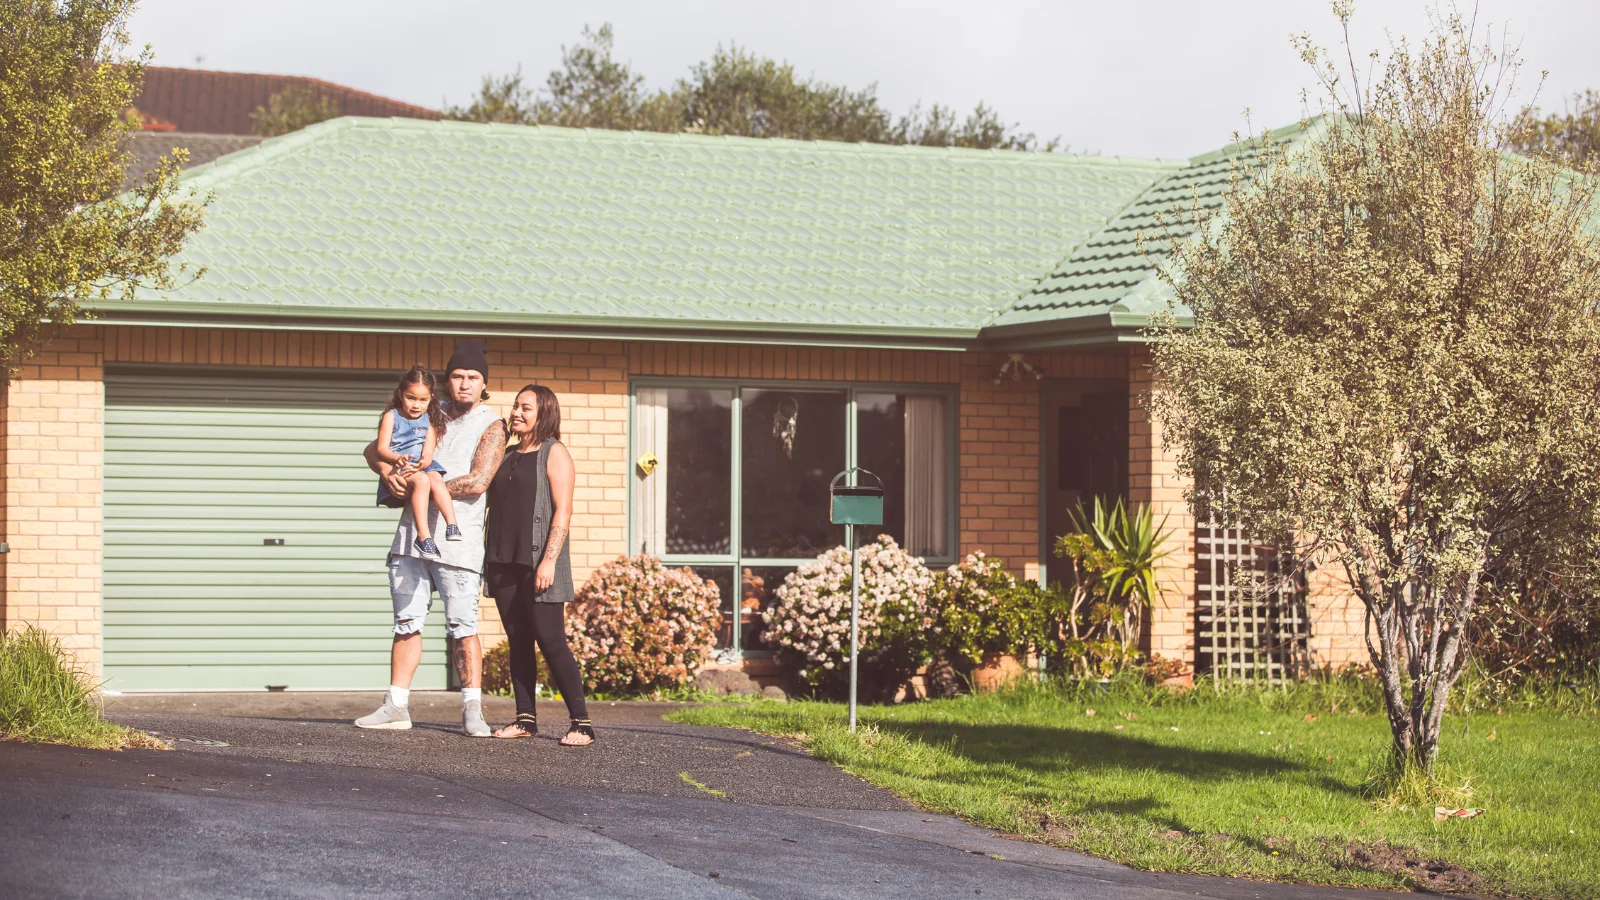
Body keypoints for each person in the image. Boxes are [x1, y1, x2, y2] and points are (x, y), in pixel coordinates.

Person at [355, 340, 505, 737]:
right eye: (457, 376)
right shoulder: (426, 411)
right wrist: (387, 473)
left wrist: (420, 484)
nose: (464, 384)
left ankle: (472, 710)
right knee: (406, 623)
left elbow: (478, 481)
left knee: (462, 626)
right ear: (447, 380)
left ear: (484, 383)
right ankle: (395, 706)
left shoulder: (491, 424)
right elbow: (371, 450)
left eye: (473, 377)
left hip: (458, 542)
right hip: (412, 538)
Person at [484, 384, 593, 746]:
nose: (516, 412)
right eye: (515, 406)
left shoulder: (554, 452)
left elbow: (563, 510)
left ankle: (582, 724)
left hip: (538, 563)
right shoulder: (506, 454)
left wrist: (548, 561)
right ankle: (525, 719)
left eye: (525, 408)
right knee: (518, 641)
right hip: (502, 561)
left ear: (544, 413)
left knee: (551, 640)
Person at [373, 364, 460, 559]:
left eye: (423, 400)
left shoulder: (429, 420)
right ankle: (423, 536)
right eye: (410, 398)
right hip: (399, 466)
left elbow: (428, 451)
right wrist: (396, 458)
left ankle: (452, 524)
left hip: (420, 465)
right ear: (400, 394)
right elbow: (381, 448)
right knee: (422, 480)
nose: (416, 405)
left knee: (436, 478)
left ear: (431, 399)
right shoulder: (392, 417)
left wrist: (424, 462)